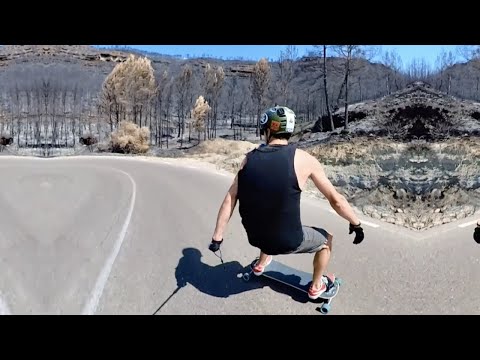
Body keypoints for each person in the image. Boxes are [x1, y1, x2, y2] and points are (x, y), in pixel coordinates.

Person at [209, 105, 364, 299]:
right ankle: (317, 286)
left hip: (255, 237)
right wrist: (356, 223)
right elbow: (336, 200)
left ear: (268, 130)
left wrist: (217, 237)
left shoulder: (248, 159)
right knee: (327, 240)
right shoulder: (304, 159)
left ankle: (260, 263)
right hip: (287, 241)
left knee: (265, 207)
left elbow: (229, 200)